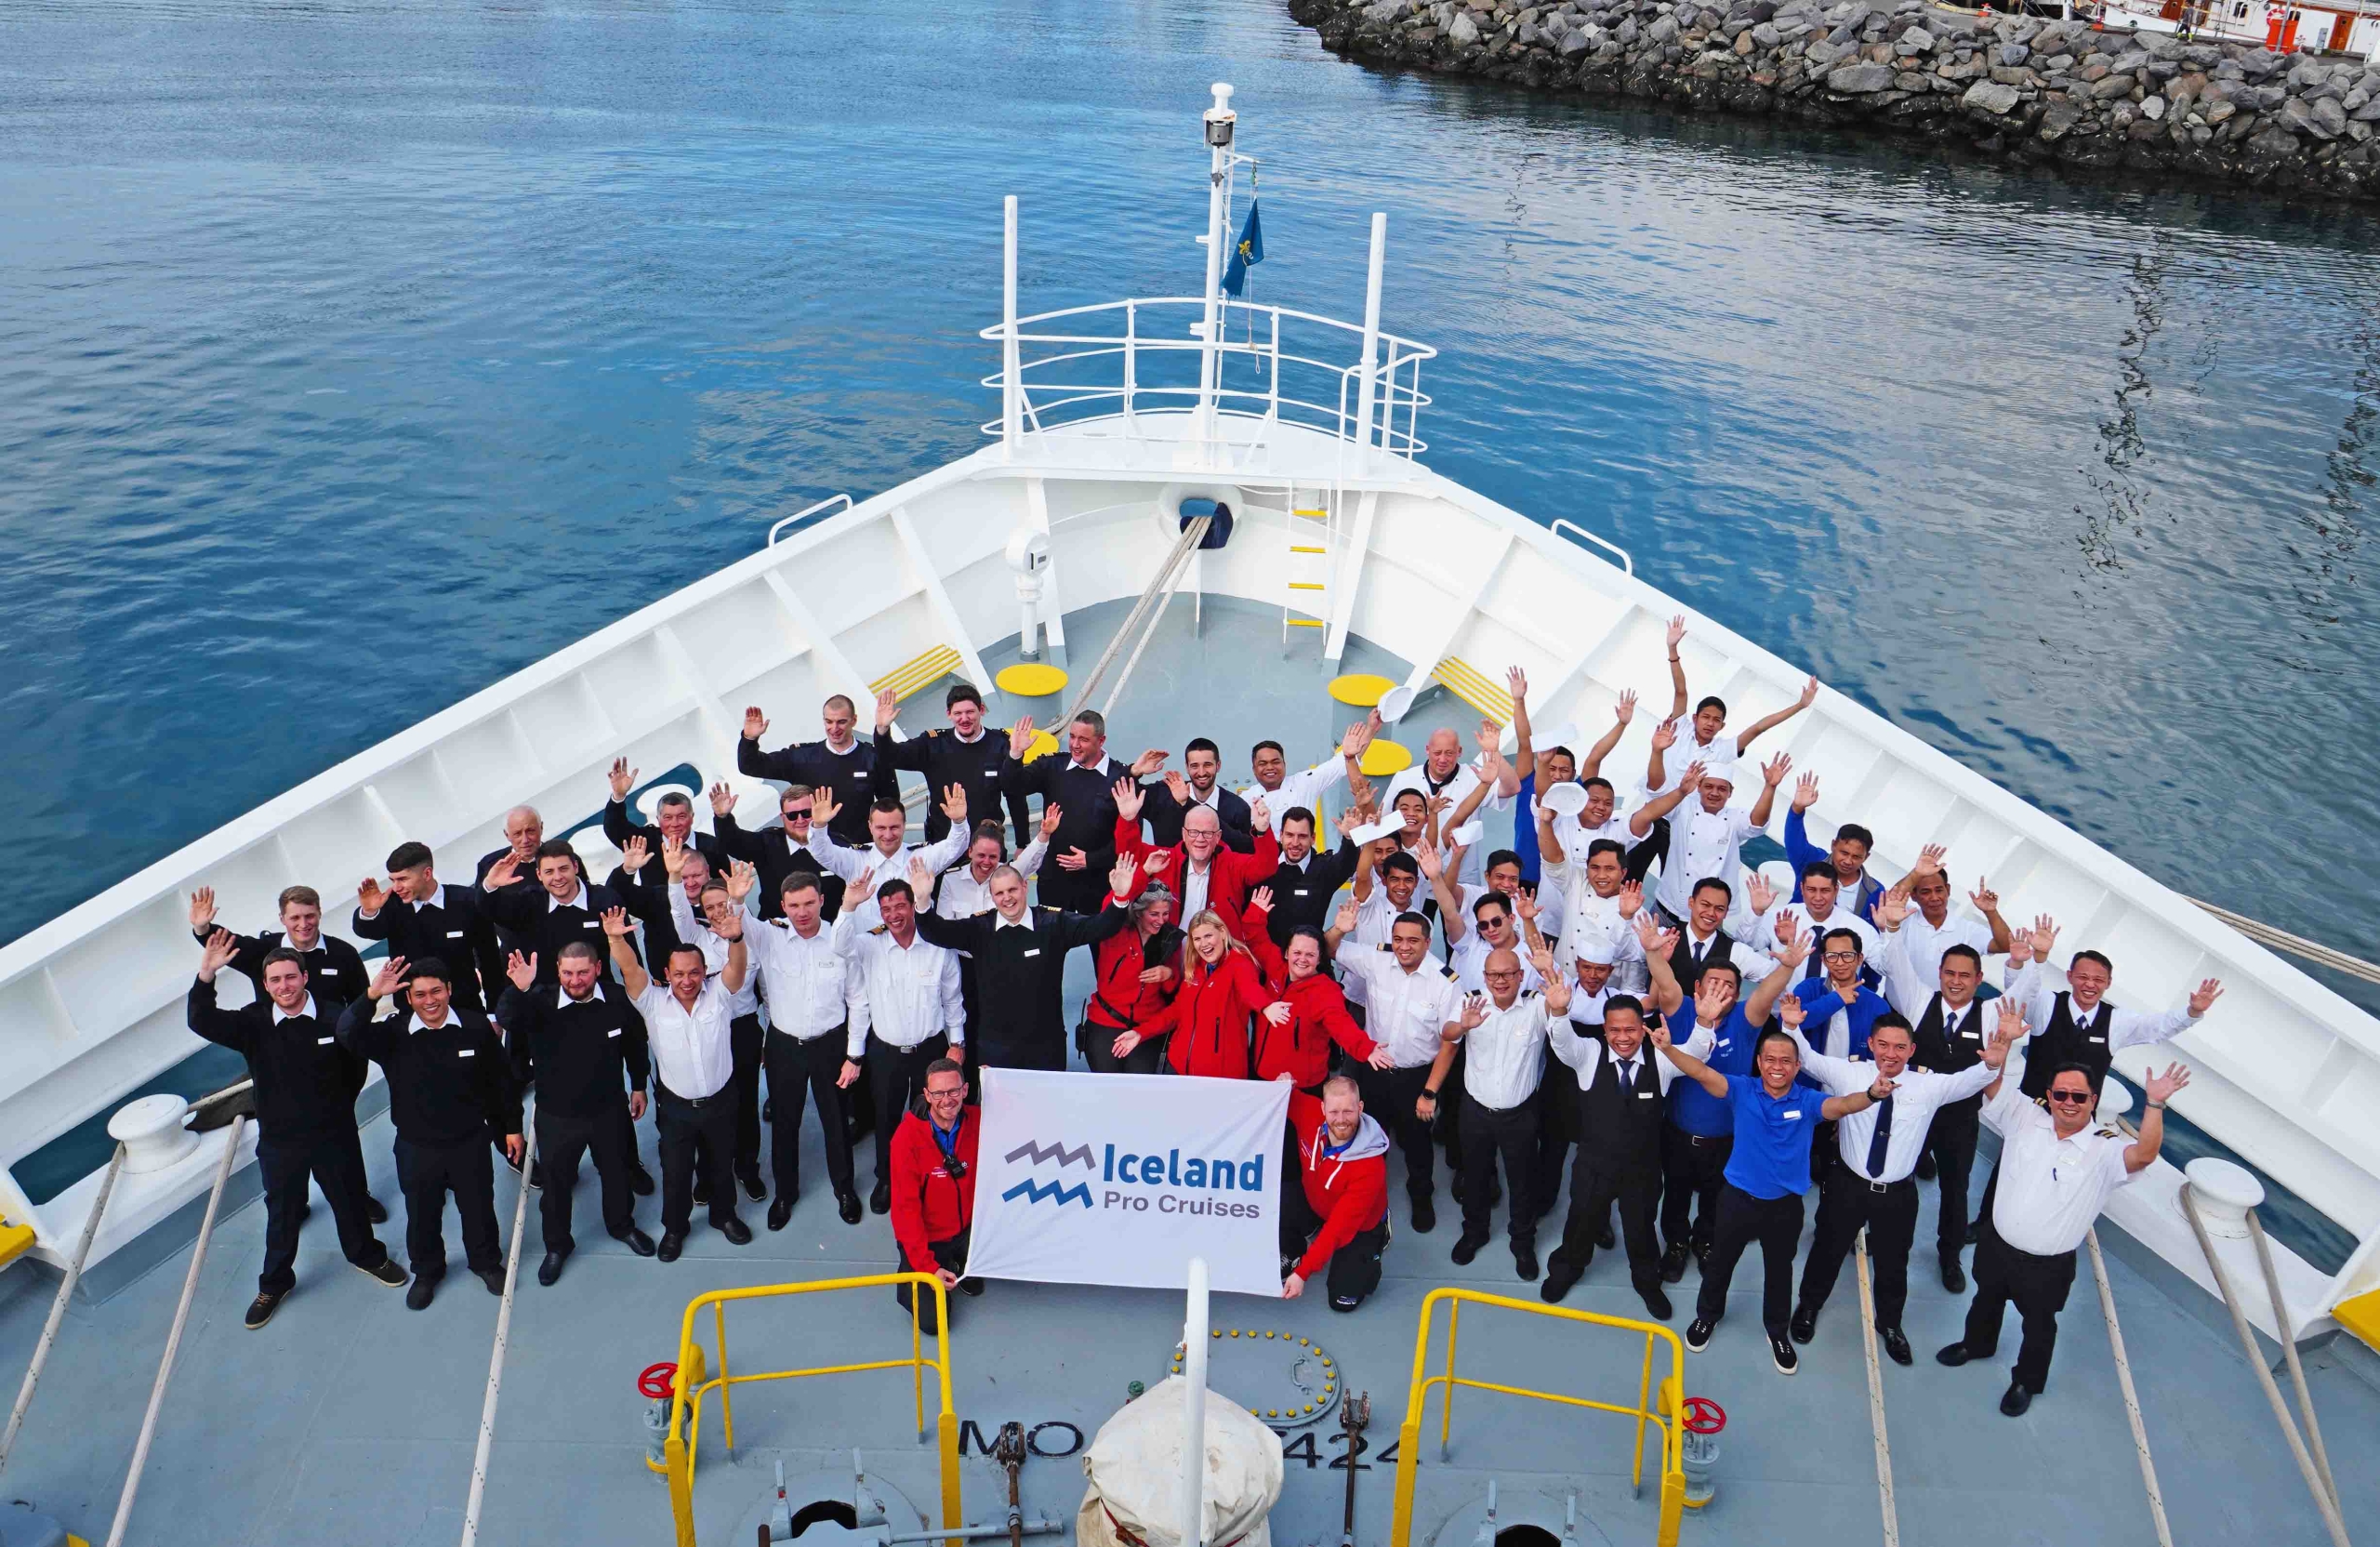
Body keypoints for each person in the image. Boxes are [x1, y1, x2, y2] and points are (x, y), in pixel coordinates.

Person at [1937, 1058, 2188, 1414]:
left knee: (2039, 1325)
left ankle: (2026, 1382)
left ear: (2093, 1100)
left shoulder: (2104, 1150)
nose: (2069, 1102)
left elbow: (2144, 1155)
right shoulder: (2025, 1117)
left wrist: (2155, 1103)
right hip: (1997, 1246)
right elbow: (1992, 1083)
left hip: (2046, 1266)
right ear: (2049, 1095)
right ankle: (1976, 1345)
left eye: (2079, 1096)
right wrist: (2002, 1044)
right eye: (2061, 1094)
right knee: (1985, 1299)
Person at [189, 932, 404, 1329]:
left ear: (305, 977)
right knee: (283, 1214)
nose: (284, 986)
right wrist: (207, 975)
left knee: (350, 1202)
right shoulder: (253, 1022)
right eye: (275, 980)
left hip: (333, 1134)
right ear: (266, 984)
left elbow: (356, 1061)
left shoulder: (334, 1017)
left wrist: (337, 1109)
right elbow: (201, 1020)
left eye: (290, 977)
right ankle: (275, 1283)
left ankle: (367, 1256)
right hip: (280, 1142)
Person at [1780, 1000, 2015, 1365]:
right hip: (1848, 1185)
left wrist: (1993, 1063)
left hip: (1897, 1195)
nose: (1891, 1054)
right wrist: (1792, 1027)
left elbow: (1969, 1081)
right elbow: (1808, 1059)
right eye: (1884, 1045)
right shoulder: (1849, 1073)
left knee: (1893, 1263)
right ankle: (1809, 1306)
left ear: (1912, 1050)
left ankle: (1890, 1324)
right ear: (1871, 1044)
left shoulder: (1929, 1085)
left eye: (1900, 1047)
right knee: (1827, 1249)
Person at [1655, 1015, 1888, 1374]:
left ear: (1796, 1066)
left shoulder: (1808, 1101)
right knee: (1720, 1264)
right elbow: (1700, 1072)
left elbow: (1842, 1106)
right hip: (1736, 1200)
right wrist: (1668, 1048)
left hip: (1784, 1208)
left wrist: (1872, 1095)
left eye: (1785, 1061)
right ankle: (1707, 1316)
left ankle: (1776, 1331)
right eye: (1770, 1059)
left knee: (1779, 1272)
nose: (1777, 1067)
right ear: (1759, 1062)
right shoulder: (1741, 1090)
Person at [336, 957, 522, 1312]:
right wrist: (372, 995)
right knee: (422, 1215)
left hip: (469, 1142)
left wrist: (512, 1127)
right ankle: (427, 1271)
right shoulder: (392, 1035)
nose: (430, 1000)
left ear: (449, 990)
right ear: (409, 998)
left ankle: (485, 1262)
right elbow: (347, 1033)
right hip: (416, 1147)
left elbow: (502, 1082)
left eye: (436, 991)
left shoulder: (475, 1026)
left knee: (479, 1209)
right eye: (420, 994)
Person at [1638, 910, 1805, 1288]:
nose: (1720, 990)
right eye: (1712, 982)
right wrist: (1651, 952)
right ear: (1697, 986)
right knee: (1675, 1194)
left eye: (1729, 985)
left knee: (1717, 1198)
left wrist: (1788, 966)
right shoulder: (1681, 1008)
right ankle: (1676, 1245)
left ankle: (1704, 1241)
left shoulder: (1746, 1020)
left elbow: (1767, 993)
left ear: (1737, 992)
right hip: (1678, 1132)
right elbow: (1665, 981)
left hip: (1728, 1137)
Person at [1540, 973, 1708, 1319]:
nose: (1622, 1037)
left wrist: (1704, 1021)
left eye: (1630, 1029)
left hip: (1642, 1171)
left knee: (1641, 1228)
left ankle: (1647, 1282)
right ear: (1604, 1030)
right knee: (1581, 1221)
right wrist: (1558, 1012)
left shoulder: (1661, 1058)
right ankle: (1567, 1268)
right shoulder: (1589, 1054)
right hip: (1593, 1167)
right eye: (1614, 1030)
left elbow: (1696, 1055)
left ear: (1643, 1029)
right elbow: (1564, 1044)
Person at [496, 941, 656, 1285]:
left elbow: (634, 1044)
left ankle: (621, 1226)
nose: (575, 980)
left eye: (583, 972)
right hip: (557, 1118)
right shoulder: (537, 1002)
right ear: (558, 971)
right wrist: (518, 988)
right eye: (567, 973)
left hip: (609, 1111)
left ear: (597, 968)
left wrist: (639, 1085)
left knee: (616, 1173)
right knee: (556, 1186)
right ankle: (557, 1245)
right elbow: (508, 1019)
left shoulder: (616, 999)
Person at [605, 905, 753, 1259]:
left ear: (705, 972)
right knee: (676, 1172)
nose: (687, 981)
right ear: (667, 974)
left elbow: (737, 968)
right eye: (679, 974)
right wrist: (615, 939)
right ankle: (675, 1228)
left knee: (721, 1164)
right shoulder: (651, 1002)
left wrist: (736, 939)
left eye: (694, 973)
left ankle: (724, 1215)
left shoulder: (719, 994)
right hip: (676, 1108)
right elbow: (630, 968)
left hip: (721, 1101)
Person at [912, 853, 1138, 1070]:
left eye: (1012, 890)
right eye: (999, 893)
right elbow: (937, 932)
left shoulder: (1053, 923)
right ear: (992, 897)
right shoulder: (979, 929)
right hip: (996, 1049)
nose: (1007, 898)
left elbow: (1099, 927)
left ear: (1024, 887)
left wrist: (1119, 898)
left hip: (1046, 1048)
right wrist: (922, 902)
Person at [1428, 945, 1566, 1280]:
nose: (1499, 981)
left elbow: (1560, 1005)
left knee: (1523, 1182)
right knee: (1475, 1177)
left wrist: (1549, 971)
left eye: (1507, 974)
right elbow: (1447, 1034)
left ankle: (1523, 1242)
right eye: (1492, 975)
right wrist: (1463, 1027)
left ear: (1520, 976)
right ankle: (1475, 1232)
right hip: (1475, 1112)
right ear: (1484, 977)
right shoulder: (1471, 1002)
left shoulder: (1536, 1005)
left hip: (1520, 1115)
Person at [836, 860, 965, 1217]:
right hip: (887, 1051)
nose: (893, 915)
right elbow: (838, 946)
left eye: (900, 907)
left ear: (912, 906)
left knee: (932, 1117)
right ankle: (888, 1178)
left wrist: (957, 1044)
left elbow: (953, 999)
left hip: (931, 1048)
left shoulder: (938, 946)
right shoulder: (869, 945)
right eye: (886, 909)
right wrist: (849, 906)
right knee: (887, 1118)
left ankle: (931, 1175)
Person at [737, 869, 864, 1227]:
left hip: (831, 1045)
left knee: (836, 1122)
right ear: (783, 906)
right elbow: (739, 922)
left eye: (809, 903)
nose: (802, 912)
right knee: (784, 1123)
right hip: (784, 1046)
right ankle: (785, 1194)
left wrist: (854, 1055)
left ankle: (844, 1189)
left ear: (822, 901)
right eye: (794, 905)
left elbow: (858, 999)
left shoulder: (840, 940)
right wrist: (737, 898)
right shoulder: (769, 937)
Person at [1873, 933, 1996, 1290]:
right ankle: (1881, 1235)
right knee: (1896, 1177)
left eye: (1964, 975)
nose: (1956, 981)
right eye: (1949, 973)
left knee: (1955, 1190)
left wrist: (2030, 962)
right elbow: (1897, 963)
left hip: (1959, 1121)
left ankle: (1950, 1256)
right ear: (1940, 973)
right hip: (1914, 1113)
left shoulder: (1989, 1015)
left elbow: (2026, 994)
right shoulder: (1920, 1001)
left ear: (1978, 978)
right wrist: (1892, 928)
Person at [1332, 907, 1466, 1232]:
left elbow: (1450, 1043)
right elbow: (1330, 948)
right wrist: (1339, 929)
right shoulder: (1378, 959)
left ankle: (1421, 1196)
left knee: (1417, 1144)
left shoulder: (1445, 982)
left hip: (1416, 1078)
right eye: (1398, 939)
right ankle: (1366, 1197)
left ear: (1428, 942)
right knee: (1368, 1138)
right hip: (1373, 1071)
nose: (1404, 947)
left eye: (1413, 941)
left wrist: (1429, 1093)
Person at [1997, 917, 2222, 1100]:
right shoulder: (2047, 1004)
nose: (2090, 985)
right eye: (2083, 977)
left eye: (2098, 980)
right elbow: (2018, 997)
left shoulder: (2116, 1021)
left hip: (2079, 1124)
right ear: (2070, 977)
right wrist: (2038, 958)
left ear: (2108, 983)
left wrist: (2193, 1011)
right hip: (2029, 1110)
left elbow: (2159, 1027)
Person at [1112, 898, 1289, 1079]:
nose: (1204, 944)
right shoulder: (1196, 968)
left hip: (1219, 1075)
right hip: (1179, 1067)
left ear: (1222, 932)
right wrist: (1140, 1033)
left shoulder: (1239, 964)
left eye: (1208, 936)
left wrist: (1266, 1006)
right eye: (1197, 939)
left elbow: (1250, 990)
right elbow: (1176, 1011)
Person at [1649, 616, 1818, 793]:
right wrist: (1672, 649)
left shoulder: (1724, 749)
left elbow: (1758, 728)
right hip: (1656, 797)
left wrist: (1800, 706)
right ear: (1695, 718)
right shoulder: (1680, 727)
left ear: (1722, 726)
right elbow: (1681, 691)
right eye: (1706, 717)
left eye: (1716, 720)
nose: (1710, 723)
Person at [1111, 779, 1280, 943]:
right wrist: (1128, 820)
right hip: (1171, 954)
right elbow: (1129, 854)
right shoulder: (1164, 860)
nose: (1200, 839)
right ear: (1184, 834)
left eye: (1207, 833)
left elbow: (1266, 867)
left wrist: (1262, 832)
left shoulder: (1232, 865)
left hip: (1219, 954)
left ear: (1218, 837)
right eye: (1193, 832)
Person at [1000, 709, 1132, 913]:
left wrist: (1091, 860)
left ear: (1101, 740)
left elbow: (1129, 840)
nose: (1075, 744)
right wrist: (1015, 754)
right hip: (1054, 881)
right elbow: (1012, 787)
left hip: (1098, 882)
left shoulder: (1119, 778)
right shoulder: (1052, 766)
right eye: (1072, 737)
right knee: (1051, 934)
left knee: (1098, 934)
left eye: (1083, 739)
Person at [351, 843, 507, 1015]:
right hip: (411, 1016)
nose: (396, 887)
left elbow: (490, 961)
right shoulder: (391, 906)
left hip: (466, 1010)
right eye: (393, 880)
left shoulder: (467, 901)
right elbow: (370, 932)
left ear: (427, 874)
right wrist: (369, 912)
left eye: (403, 879)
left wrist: (494, 1014)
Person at [1632, 754, 1786, 926]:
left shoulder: (1735, 818)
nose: (1714, 793)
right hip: (1665, 908)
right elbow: (1656, 797)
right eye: (1709, 786)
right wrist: (1680, 789)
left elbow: (1756, 824)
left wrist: (1770, 787)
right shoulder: (1683, 808)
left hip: (1708, 918)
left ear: (1730, 792)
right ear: (1699, 787)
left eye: (1722, 789)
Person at [1281, 1074, 1392, 1313]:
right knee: (1281, 1197)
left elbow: (1338, 1228)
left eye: (1348, 1111)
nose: (1341, 1120)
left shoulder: (1370, 1167)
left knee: (1341, 1302)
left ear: (1360, 1107)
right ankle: (1292, 1251)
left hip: (1358, 1226)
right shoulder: (1309, 1111)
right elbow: (1281, 1097)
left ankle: (1371, 1259)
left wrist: (1303, 1273)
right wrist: (1282, 1084)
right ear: (1322, 1108)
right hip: (1318, 1201)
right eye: (1333, 1112)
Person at [870, 683, 1028, 846]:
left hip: (987, 847)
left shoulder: (1001, 744)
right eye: (957, 713)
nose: (964, 719)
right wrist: (882, 730)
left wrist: (1022, 844)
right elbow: (890, 757)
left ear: (981, 710)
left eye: (970, 712)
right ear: (948, 714)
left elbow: (1015, 796)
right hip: (943, 845)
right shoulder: (932, 745)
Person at [890, 1058, 981, 1334]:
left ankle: (962, 1260)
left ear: (965, 1090)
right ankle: (935, 1267)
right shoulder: (906, 1140)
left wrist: (998, 1085)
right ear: (927, 1095)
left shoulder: (980, 1120)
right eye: (938, 1093)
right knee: (933, 1324)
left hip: (968, 1229)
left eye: (954, 1091)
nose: (947, 1100)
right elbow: (905, 1212)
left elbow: (1018, 1112)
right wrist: (928, 1267)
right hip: (930, 1237)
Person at [803, 786, 972, 932]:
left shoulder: (921, 857)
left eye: (894, 827)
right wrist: (819, 826)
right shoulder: (854, 860)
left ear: (904, 825)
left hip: (916, 951)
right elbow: (822, 852)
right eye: (881, 828)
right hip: (869, 951)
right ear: (870, 826)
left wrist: (958, 821)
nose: (888, 835)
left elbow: (955, 847)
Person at [188, 884, 370, 1010]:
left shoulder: (343, 953)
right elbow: (224, 942)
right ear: (282, 919)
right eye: (295, 918)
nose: (303, 924)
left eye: (309, 916)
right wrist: (202, 927)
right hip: (277, 1046)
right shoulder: (262, 952)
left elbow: (361, 1004)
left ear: (319, 914)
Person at [1081, 868, 1184, 1075]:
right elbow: (1112, 904)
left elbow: (1172, 988)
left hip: (1146, 1024)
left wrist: (1169, 974)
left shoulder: (1171, 938)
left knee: (1140, 1085)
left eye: (1165, 914)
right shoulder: (1114, 930)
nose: (1161, 920)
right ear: (1138, 912)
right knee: (1107, 1084)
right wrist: (1145, 872)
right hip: (1106, 1020)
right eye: (1154, 914)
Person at [739, 695, 878, 848]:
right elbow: (750, 766)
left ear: (854, 720)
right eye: (829, 722)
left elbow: (889, 803)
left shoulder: (873, 757)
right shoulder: (801, 758)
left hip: (861, 849)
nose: (834, 728)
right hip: (816, 851)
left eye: (841, 722)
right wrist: (749, 739)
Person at [715, 783, 843, 920]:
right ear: (783, 817)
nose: (800, 820)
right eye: (792, 815)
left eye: (807, 813)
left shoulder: (839, 847)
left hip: (828, 929)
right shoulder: (766, 843)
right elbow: (732, 841)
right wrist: (723, 818)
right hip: (775, 930)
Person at [1239, 719, 1376, 840]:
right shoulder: (1244, 800)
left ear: (1284, 764)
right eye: (1263, 763)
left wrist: (1371, 729)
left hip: (1306, 858)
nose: (1270, 767)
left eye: (1275, 762)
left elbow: (1343, 760)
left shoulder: (1304, 783)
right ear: (1254, 769)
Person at [599, 761, 735, 877]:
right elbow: (614, 828)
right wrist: (618, 796)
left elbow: (725, 885)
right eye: (668, 818)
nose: (674, 824)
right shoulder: (645, 843)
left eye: (681, 816)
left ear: (692, 817)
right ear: (658, 819)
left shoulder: (712, 847)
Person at [1780, 774, 1883, 923]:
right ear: (1833, 845)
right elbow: (1794, 840)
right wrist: (1797, 809)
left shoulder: (1876, 891)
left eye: (1856, 857)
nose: (1848, 861)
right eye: (1844, 853)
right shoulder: (1811, 861)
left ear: (1866, 857)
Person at [1259, 806, 1365, 946]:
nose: (1295, 843)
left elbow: (1347, 863)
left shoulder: (1324, 869)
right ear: (1281, 835)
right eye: (1290, 835)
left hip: (1308, 956)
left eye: (1302, 836)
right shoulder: (1264, 863)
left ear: (1313, 838)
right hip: (1265, 955)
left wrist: (1349, 838)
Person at [1742, 864, 1876, 969]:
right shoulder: (1780, 917)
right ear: (1802, 888)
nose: (1818, 898)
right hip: (1782, 996)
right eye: (1811, 890)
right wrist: (1756, 912)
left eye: (1825, 891)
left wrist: (1886, 929)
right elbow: (1746, 945)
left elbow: (1882, 966)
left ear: (1836, 890)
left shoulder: (1859, 928)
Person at [1142, 738, 1256, 852]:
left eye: (1207, 765)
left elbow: (1246, 849)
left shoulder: (1238, 807)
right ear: (1187, 767)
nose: (1201, 773)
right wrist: (1135, 771)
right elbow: (1131, 798)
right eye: (1194, 766)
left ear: (1218, 765)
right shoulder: (1163, 794)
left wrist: (1187, 804)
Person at [1661, 877, 1773, 992]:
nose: (1711, 913)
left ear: (1726, 912)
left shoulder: (1736, 952)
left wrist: (1783, 949)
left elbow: (1774, 975)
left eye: (1719, 909)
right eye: (1705, 905)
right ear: (1691, 903)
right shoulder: (1661, 936)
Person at [476, 805, 545, 893]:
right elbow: (478, 900)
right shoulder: (489, 864)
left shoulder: (560, 857)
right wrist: (490, 885)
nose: (525, 840)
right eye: (517, 834)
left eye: (530, 831)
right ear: (507, 835)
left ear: (541, 828)